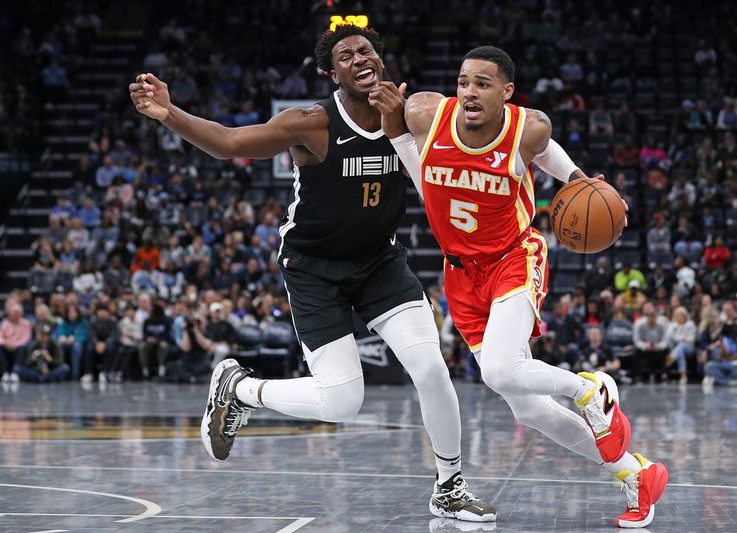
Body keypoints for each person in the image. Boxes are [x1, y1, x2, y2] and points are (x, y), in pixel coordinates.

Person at [129, 24, 491, 521]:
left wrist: (401, 131)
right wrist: (169, 113)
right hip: (314, 268)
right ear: (331, 72)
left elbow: (436, 187)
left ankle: (449, 484)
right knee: (343, 402)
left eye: (366, 50)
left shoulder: (408, 115)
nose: (359, 58)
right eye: (346, 56)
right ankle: (239, 389)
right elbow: (231, 143)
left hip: (380, 261)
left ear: (381, 60)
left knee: (432, 370)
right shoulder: (312, 123)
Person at [378, 45, 666, 527]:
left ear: (506, 92)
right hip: (461, 275)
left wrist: (578, 179)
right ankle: (634, 474)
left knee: (499, 370)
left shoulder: (525, 129)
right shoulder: (425, 113)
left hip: (513, 257)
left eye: (483, 84)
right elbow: (414, 165)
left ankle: (590, 390)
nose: (469, 91)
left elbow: (545, 152)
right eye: (464, 81)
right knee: (528, 408)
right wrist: (391, 125)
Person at [0, 303, 32, 383]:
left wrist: (14, 344)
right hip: (6, 346)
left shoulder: (26, 323)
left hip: (18, 347)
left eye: (17, 313)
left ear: (21, 314)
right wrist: (5, 343)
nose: (15, 315)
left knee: (22, 347)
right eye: (14, 313)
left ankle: (15, 373)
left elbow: (26, 339)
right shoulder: (5, 323)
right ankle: (5, 373)